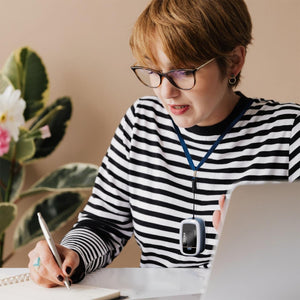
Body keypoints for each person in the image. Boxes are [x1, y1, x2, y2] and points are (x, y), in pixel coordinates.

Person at [28, 0, 300, 288]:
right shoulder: (141, 122)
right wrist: (70, 255)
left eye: (183, 72)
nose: (165, 91)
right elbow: (103, 224)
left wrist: (261, 243)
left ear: (234, 61)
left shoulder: (289, 130)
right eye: (154, 72)